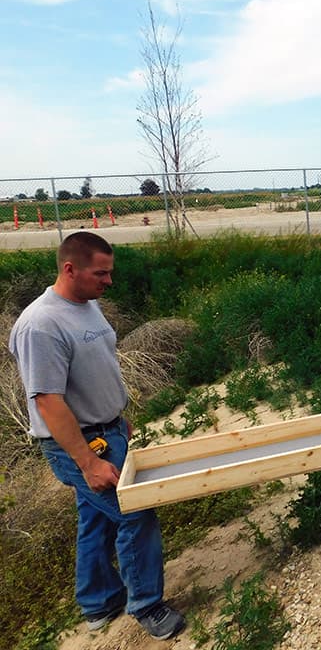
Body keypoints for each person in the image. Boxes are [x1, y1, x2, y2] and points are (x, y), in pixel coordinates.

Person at [8, 231, 184, 640]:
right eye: (100, 273)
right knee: (135, 513)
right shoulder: (41, 325)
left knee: (96, 520)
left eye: (110, 272)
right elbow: (48, 401)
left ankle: (99, 602)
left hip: (107, 431)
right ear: (70, 269)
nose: (108, 281)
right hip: (79, 445)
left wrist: (118, 419)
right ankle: (147, 606)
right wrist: (86, 462)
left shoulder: (87, 305)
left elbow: (97, 367)